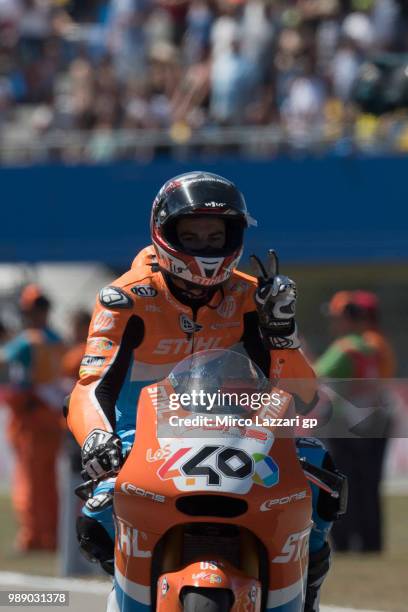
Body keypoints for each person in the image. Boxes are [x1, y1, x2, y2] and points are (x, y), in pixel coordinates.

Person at [66, 171, 341, 610]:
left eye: (215, 235)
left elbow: (304, 397)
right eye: (191, 234)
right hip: (141, 436)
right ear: (165, 233)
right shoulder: (125, 298)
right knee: (94, 520)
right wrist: (97, 438)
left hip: (240, 433)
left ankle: (304, 589)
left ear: (232, 236)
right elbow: (91, 385)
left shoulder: (254, 296)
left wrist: (283, 335)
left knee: (321, 475)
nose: (204, 245)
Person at [315, 290, 393, 552]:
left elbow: (313, 376)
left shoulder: (344, 348)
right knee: (368, 487)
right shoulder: (373, 346)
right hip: (373, 421)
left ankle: (345, 542)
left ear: (348, 318)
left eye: (336, 317)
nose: (333, 323)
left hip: (345, 426)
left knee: (341, 484)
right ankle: (372, 543)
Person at [0, 284, 65, 551]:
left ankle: (33, 536)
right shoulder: (57, 340)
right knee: (48, 480)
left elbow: (9, 376)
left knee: (28, 480)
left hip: (30, 419)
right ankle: (49, 535)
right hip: (52, 418)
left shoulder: (24, 343)